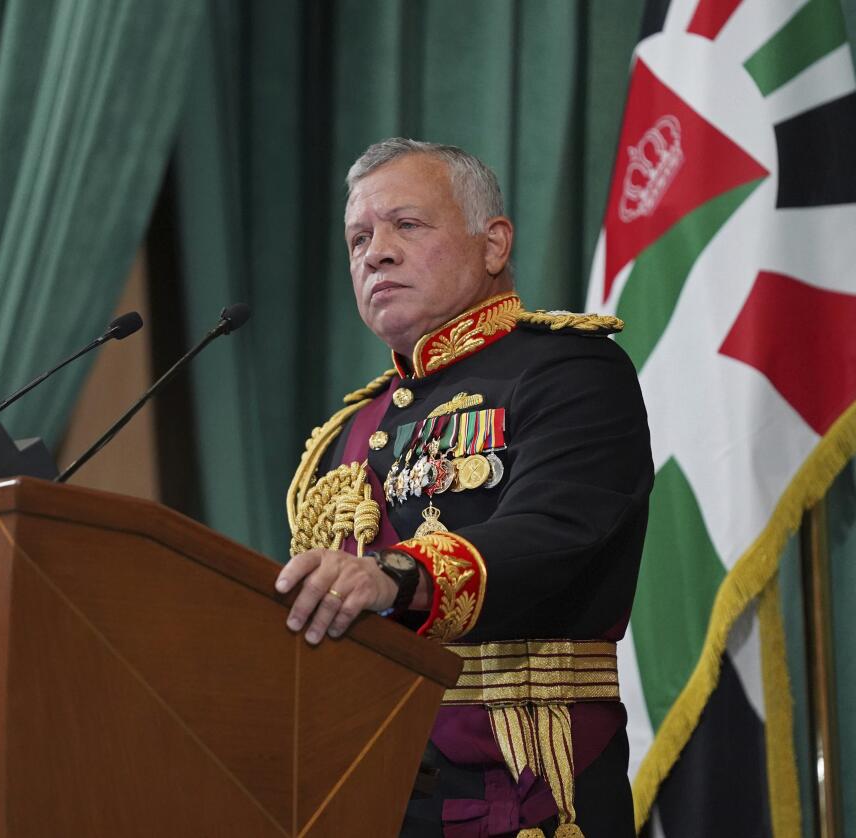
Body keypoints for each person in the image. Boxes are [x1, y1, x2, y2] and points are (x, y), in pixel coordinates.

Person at [277, 138, 653, 838]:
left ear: (494, 244)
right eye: (359, 236)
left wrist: (398, 575)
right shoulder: (347, 431)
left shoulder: (569, 370)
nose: (375, 252)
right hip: (368, 790)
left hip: (523, 784)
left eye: (406, 226)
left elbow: (551, 533)